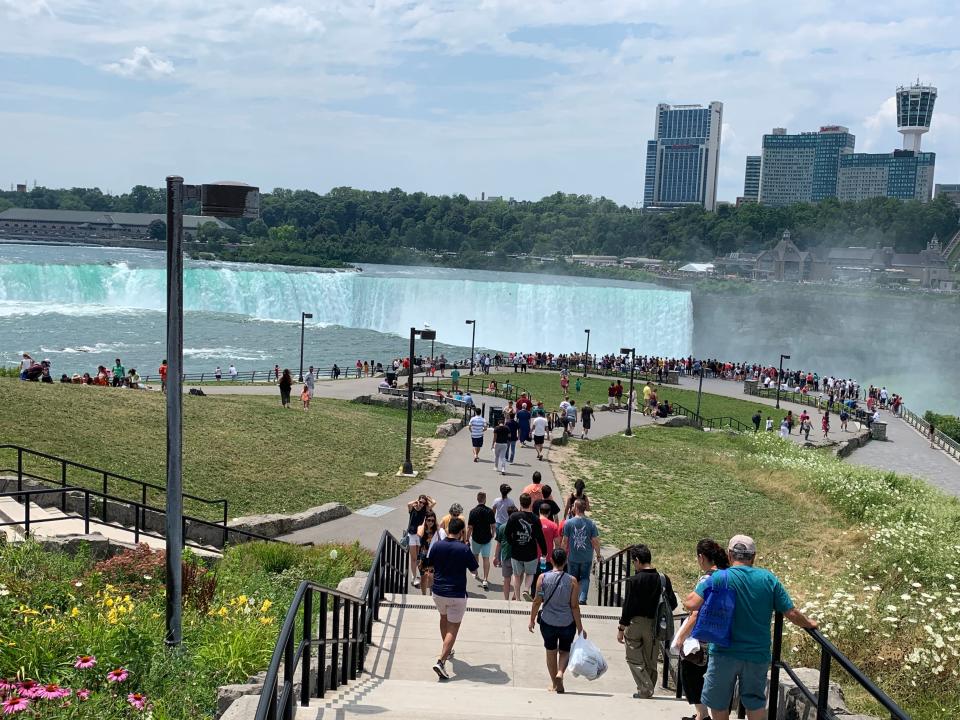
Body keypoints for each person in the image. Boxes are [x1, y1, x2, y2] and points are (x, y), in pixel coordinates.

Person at [684, 535, 816, 720]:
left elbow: (690, 604)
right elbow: (791, 613)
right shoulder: (768, 579)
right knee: (755, 703)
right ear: (753, 556)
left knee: (719, 703)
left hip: (724, 652)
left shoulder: (720, 577)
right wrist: (810, 623)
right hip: (757, 654)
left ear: (730, 555)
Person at [671, 539, 730, 720]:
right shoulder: (727, 576)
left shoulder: (707, 579)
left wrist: (681, 637)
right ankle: (700, 715)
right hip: (721, 634)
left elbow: (695, 611)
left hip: (703, 637)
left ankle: (701, 715)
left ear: (701, 557)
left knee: (692, 675)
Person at [617, 544, 677, 699]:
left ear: (637, 560)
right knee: (651, 659)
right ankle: (648, 687)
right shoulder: (663, 579)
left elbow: (628, 606)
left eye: (634, 562)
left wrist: (621, 627)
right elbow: (673, 603)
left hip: (636, 624)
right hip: (655, 625)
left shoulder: (634, 580)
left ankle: (645, 687)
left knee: (633, 657)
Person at [528, 548, 586, 694]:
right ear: (565, 562)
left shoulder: (542, 578)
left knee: (551, 651)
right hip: (567, 622)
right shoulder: (572, 581)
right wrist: (580, 628)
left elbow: (537, 601)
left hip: (548, 621)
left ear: (551, 561)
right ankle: (560, 672)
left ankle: (554, 682)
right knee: (565, 651)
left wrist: (532, 619)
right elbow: (574, 606)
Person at [427, 517, 478, 679]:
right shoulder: (463, 549)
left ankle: (446, 650)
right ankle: (441, 661)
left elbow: (429, 564)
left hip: (438, 591)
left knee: (443, 618)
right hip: (456, 593)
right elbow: (474, 570)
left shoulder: (437, 545)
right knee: (453, 628)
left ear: (448, 529)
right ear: (461, 532)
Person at [504, 493, 548, 602]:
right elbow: (540, 537)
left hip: (516, 551)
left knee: (516, 574)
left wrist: (512, 542)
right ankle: (526, 589)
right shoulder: (535, 518)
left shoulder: (514, 516)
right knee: (530, 573)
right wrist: (544, 551)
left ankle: (518, 598)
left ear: (520, 503)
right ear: (531, 503)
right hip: (530, 552)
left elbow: (507, 533)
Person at [561, 499, 602, 603]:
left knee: (572, 578)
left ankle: (572, 598)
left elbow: (565, 541)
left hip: (573, 557)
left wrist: (562, 554)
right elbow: (595, 541)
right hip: (586, 557)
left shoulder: (568, 523)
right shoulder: (591, 524)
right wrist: (598, 554)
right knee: (585, 578)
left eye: (574, 506)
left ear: (576, 508)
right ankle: (582, 598)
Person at [467, 492, 496, 590]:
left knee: (475, 555)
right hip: (487, 538)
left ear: (477, 499)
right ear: (485, 499)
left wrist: (467, 538)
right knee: (486, 558)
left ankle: (475, 572)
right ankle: (485, 579)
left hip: (476, 538)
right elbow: (493, 525)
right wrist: (493, 534)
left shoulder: (473, 511)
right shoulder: (490, 511)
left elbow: (470, 527)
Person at [406, 494, 437, 587]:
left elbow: (434, 502)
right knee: (413, 558)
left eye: (424, 503)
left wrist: (428, 499)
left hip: (420, 535)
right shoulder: (412, 508)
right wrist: (417, 501)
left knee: (419, 557)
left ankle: (420, 575)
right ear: (417, 501)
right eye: (421, 502)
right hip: (412, 535)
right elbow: (408, 504)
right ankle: (414, 577)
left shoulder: (425, 510)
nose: (422, 504)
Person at [494, 507, 517, 600]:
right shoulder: (520, 526)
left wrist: (496, 557)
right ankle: (516, 594)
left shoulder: (502, 527)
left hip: (506, 555)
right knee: (517, 577)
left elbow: (498, 544)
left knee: (506, 579)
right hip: (517, 556)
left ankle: (506, 599)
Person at [416, 510, 440, 595]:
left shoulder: (437, 530)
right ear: (425, 520)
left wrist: (435, 524)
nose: (431, 522)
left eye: (433, 520)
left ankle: (431, 594)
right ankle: (423, 595)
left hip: (433, 557)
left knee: (431, 577)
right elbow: (419, 534)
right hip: (423, 557)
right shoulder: (421, 528)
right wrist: (424, 523)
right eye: (429, 520)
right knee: (423, 577)